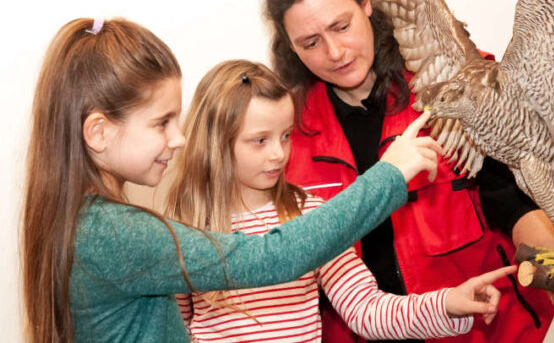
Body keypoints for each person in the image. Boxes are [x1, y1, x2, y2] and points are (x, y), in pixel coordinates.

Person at [21, 18, 447, 343]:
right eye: (162, 123)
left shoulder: (91, 226)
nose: (178, 137)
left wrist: (445, 304)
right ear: (98, 132)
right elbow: (268, 257)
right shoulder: (116, 233)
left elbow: (366, 308)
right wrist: (389, 175)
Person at [264, 0, 554, 343]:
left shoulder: (458, 91)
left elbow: (512, 199)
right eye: (310, 42)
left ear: (365, 1)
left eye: (340, 26)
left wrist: (552, 268)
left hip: (477, 333)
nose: (334, 52)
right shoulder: (282, 136)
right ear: (289, 45)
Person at [165, 59, 516, 342]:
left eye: (286, 136)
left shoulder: (309, 215)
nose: (278, 154)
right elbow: (169, 330)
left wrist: (448, 304)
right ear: (216, 142)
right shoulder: (182, 226)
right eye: (259, 140)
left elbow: (367, 311)